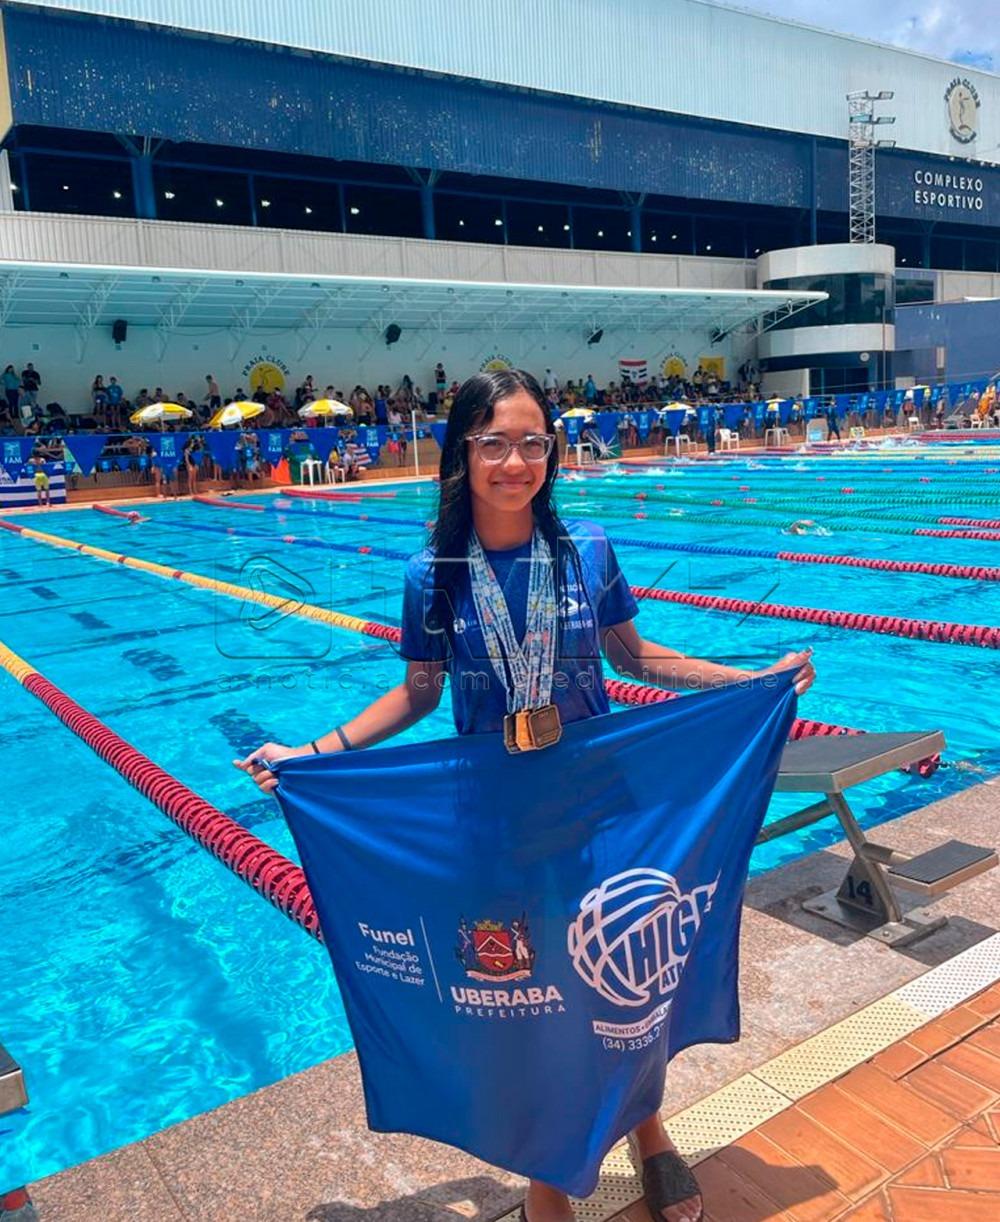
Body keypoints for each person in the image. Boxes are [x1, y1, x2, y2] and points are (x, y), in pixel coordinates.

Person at [237, 369, 815, 1222]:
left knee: (626, 989)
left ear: (552, 448)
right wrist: (313, 754)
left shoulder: (587, 549)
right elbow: (419, 694)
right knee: (534, 1005)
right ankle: (561, 1167)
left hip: (597, 808)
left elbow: (635, 658)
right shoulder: (432, 571)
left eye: (533, 442)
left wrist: (748, 682)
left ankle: (641, 1137)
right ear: (462, 453)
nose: (516, 462)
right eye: (495, 443)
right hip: (497, 821)